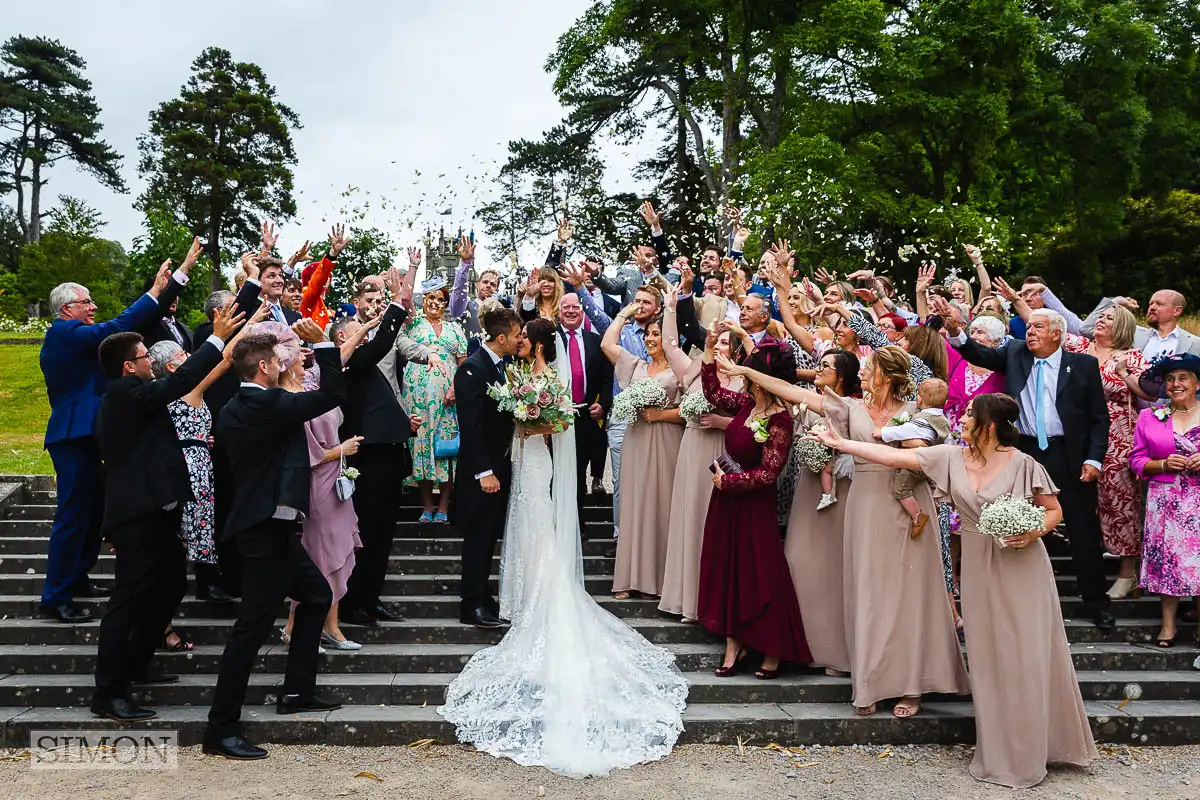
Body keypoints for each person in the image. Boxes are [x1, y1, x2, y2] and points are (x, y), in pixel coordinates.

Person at [438, 310, 687, 779]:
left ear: (532, 344)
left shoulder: (544, 377)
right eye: (514, 336)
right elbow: (480, 424)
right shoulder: (492, 370)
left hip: (532, 461)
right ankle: (506, 595)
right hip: (512, 464)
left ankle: (537, 595)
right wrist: (515, 428)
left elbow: (555, 426)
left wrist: (528, 422)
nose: (518, 343)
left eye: (522, 338)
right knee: (518, 532)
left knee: (535, 530)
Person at [811, 393, 1097, 788]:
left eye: (968, 416)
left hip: (1023, 569)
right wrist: (840, 444)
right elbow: (894, 458)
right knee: (987, 656)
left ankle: (1037, 747)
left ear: (989, 425)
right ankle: (999, 749)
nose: (960, 420)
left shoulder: (1024, 463)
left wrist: (1032, 531)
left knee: (1026, 654)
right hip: (978, 570)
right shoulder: (949, 457)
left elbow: (1053, 511)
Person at [203, 323, 346, 761]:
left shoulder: (231, 408)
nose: (282, 364)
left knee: (317, 594)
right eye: (276, 361)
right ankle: (220, 729)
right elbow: (330, 394)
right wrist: (323, 343)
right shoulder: (270, 405)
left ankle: (297, 691)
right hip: (263, 530)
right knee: (251, 627)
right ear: (263, 367)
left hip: (271, 526)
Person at [90, 304, 239, 722]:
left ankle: (138, 664)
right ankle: (109, 692)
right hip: (135, 515)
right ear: (127, 367)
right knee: (128, 601)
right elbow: (178, 383)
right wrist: (214, 340)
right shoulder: (122, 395)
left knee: (171, 583)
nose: (148, 363)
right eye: (142, 357)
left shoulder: (137, 395)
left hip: (160, 510)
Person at [936, 298, 1115, 629]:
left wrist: (1094, 458)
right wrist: (954, 329)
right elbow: (978, 354)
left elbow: (1098, 418)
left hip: (1070, 453)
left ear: (1057, 334)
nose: (1030, 332)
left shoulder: (1084, 366)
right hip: (1027, 452)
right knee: (1023, 522)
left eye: (1038, 327)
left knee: (1081, 528)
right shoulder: (1014, 354)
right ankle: (1022, 600)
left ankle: (1095, 601)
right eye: (1029, 327)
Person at [39, 253, 195, 623]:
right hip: (72, 431)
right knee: (74, 513)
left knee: (93, 511)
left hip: (88, 430)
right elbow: (121, 326)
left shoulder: (78, 338)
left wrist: (175, 282)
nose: (93, 306)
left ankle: (77, 578)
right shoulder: (64, 333)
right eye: (86, 302)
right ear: (66, 309)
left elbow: (138, 326)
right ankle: (55, 595)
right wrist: (154, 291)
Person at [821, 346, 969, 715]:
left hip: (907, 504)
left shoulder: (917, 413)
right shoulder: (852, 407)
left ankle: (912, 685)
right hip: (865, 505)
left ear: (885, 376)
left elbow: (928, 454)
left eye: (868, 368)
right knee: (868, 592)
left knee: (910, 594)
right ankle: (870, 681)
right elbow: (798, 394)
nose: (861, 373)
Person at [698, 336, 810, 679]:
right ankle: (734, 642)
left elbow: (771, 471)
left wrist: (730, 483)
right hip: (726, 504)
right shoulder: (746, 404)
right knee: (729, 569)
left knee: (761, 572)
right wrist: (708, 349)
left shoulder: (780, 419)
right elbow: (714, 394)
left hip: (753, 505)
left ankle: (772, 647)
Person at [264, 321, 369, 651]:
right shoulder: (286, 399)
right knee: (320, 555)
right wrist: (342, 449)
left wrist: (366, 327)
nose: (304, 353)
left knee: (338, 552)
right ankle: (295, 627)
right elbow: (309, 454)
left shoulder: (310, 384)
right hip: (315, 483)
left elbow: (337, 357)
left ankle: (332, 627)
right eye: (297, 350)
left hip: (338, 481)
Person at [333, 266, 421, 627]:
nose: (364, 335)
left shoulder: (365, 363)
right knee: (367, 531)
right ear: (342, 336)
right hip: (368, 457)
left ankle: (372, 598)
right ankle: (354, 601)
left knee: (383, 532)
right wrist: (399, 301)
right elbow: (383, 343)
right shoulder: (349, 362)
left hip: (389, 453)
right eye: (357, 332)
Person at [657, 287, 739, 621]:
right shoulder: (691, 369)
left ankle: (712, 602)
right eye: (716, 341)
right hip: (691, 451)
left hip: (722, 452)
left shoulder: (741, 380)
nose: (718, 345)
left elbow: (752, 421)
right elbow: (667, 345)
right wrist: (671, 308)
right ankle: (686, 600)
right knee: (689, 520)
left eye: (724, 343)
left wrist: (722, 421)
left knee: (713, 524)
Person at [601, 291, 685, 599]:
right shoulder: (634, 366)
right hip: (636, 440)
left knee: (663, 506)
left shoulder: (680, 369)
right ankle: (630, 578)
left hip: (667, 441)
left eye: (656, 334)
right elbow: (607, 344)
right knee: (634, 505)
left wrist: (660, 414)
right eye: (648, 333)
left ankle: (664, 580)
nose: (650, 338)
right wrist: (625, 312)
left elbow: (692, 410)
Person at [453, 304, 525, 629]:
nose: (519, 340)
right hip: (481, 474)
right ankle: (471, 605)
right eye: (516, 336)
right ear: (500, 337)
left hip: (500, 466)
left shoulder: (503, 366)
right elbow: (471, 427)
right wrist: (484, 472)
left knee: (489, 537)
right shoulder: (472, 369)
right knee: (478, 539)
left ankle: (484, 598)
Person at [1130, 354, 1200, 647]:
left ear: (1197, 383)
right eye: (1170, 379)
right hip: (1166, 500)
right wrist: (1160, 465)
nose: (1175, 384)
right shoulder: (1149, 416)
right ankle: (1168, 625)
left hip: (1197, 499)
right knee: (1169, 561)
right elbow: (1136, 459)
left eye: (1183, 378)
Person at [402, 280, 468, 523]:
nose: (435, 303)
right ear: (424, 300)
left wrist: (455, 388)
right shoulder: (414, 324)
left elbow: (464, 364)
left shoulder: (455, 329)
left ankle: (443, 506)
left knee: (447, 448)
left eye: (440, 299)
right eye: (430, 298)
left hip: (448, 398)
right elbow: (406, 301)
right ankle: (426, 506)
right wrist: (412, 268)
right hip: (417, 396)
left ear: (446, 303)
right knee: (420, 446)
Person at [556, 292, 613, 509]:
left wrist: (604, 404)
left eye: (575, 308)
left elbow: (608, 378)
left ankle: (578, 527)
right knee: (561, 473)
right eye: (566, 307)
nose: (571, 311)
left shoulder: (596, 341)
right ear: (558, 311)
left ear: (582, 312)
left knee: (579, 473)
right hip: (558, 417)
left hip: (587, 417)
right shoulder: (551, 339)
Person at [884, 378, 951, 537]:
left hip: (916, 463)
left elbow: (903, 432)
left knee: (900, 488)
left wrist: (883, 433)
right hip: (933, 464)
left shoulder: (922, 420)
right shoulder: (943, 420)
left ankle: (917, 515)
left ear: (919, 398)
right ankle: (935, 504)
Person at [1081, 289, 1200, 360]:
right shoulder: (1133, 332)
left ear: (1177, 311)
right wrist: (1115, 302)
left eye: (1159, 304)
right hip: (1132, 401)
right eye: (1151, 304)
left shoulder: (1194, 343)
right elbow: (1086, 329)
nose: (1152, 307)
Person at [449, 234, 509, 345]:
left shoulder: (501, 312)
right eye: (485, 282)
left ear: (497, 289)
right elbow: (459, 292)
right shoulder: (465, 307)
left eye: (493, 284)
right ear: (477, 284)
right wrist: (465, 263)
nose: (488, 286)